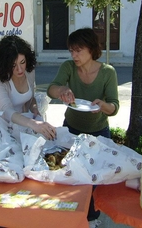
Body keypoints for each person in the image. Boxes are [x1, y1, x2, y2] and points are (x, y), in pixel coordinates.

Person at [47, 28, 119, 227]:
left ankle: (91, 218)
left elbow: (114, 106)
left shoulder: (107, 72)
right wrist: (61, 89)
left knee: (94, 180)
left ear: (91, 49)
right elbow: (51, 89)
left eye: (78, 50)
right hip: (71, 129)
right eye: (71, 50)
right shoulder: (68, 67)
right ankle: (69, 215)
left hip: (98, 132)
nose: (74, 55)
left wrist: (104, 106)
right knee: (68, 174)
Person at [0, 35, 57, 140]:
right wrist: (34, 124)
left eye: (22, 62)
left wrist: (34, 109)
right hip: (0, 131)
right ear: (4, 64)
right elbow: (7, 111)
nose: (20, 69)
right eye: (13, 65)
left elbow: (30, 98)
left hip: (21, 127)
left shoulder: (29, 72)